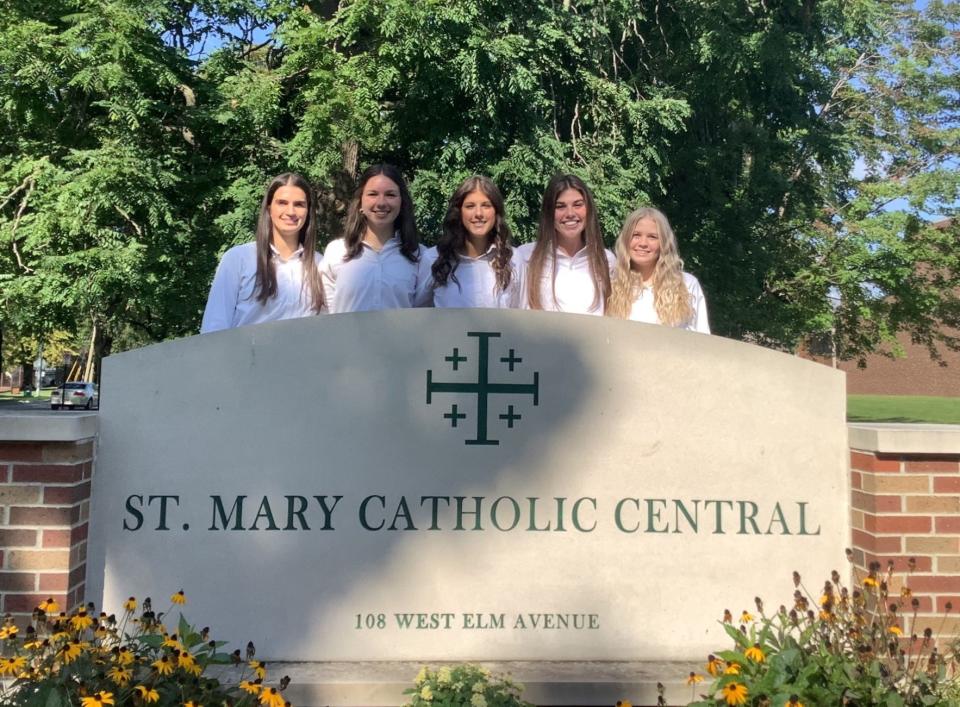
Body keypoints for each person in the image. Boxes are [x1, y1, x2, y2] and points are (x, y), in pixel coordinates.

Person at [201, 173, 324, 333]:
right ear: (269, 207)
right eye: (282, 203)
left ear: (308, 211)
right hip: (246, 357)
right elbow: (214, 326)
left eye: (299, 204)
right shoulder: (239, 259)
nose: (291, 211)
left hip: (303, 357)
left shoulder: (320, 264)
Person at [321, 163, 427, 312]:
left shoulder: (420, 257)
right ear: (360, 201)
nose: (381, 203)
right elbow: (327, 314)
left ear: (402, 202)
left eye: (390, 194)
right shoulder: (336, 251)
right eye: (373, 194)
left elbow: (422, 315)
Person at [516, 174, 613, 315]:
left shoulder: (606, 260)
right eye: (560, 206)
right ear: (549, 212)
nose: (570, 213)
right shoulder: (525, 257)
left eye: (578, 205)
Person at [418, 176, 521, 308]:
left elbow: (520, 316)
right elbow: (418, 316)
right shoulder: (433, 259)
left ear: (496, 212)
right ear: (459, 212)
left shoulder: (514, 260)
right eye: (470, 206)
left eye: (486, 205)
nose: (478, 213)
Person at [606, 207, 710, 333]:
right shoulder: (610, 284)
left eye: (652, 237)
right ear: (626, 239)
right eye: (636, 235)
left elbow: (702, 337)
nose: (643, 243)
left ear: (664, 243)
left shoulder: (687, 285)